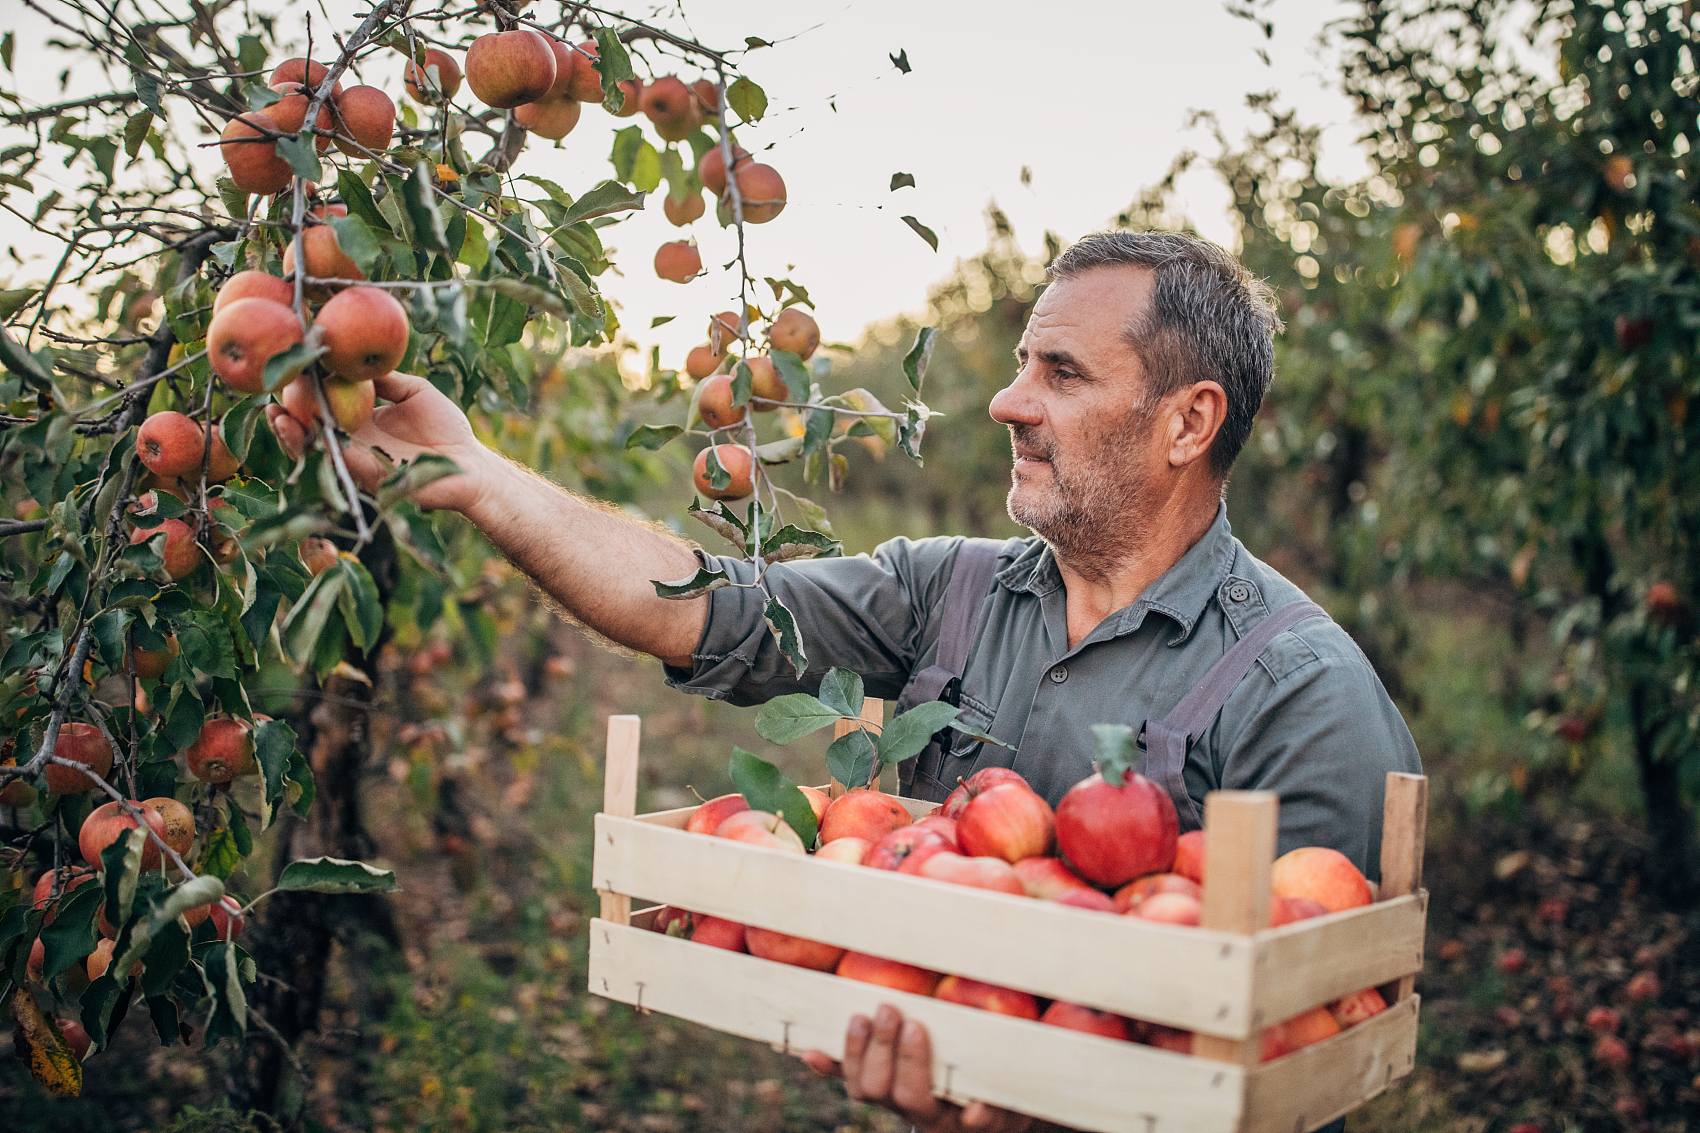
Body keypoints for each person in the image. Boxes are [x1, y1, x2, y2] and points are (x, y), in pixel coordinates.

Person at [267, 230, 1421, 1133]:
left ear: (1187, 422)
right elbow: (705, 603)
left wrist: (1041, 1091)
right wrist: (473, 475)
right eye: (1018, 364)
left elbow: (1296, 1057)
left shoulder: (1296, 691)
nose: (1006, 402)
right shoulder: (947, 592)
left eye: (1059, 372)